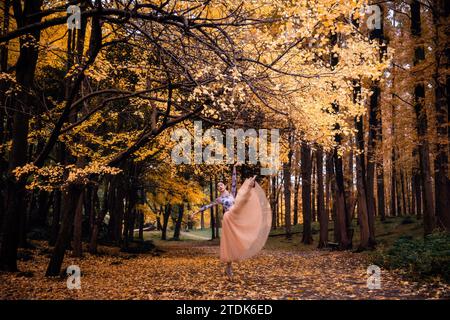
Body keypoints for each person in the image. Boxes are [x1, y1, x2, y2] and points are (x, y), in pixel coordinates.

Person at [190, 166, 272, 281]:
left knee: (244, 200)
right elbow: (207, 206)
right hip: (228, 219)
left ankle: (250, 186)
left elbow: (234, 180)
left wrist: (234, 168)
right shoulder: (219, 199)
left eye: (221, 185)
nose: (219, 187)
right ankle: (229, 267)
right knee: (229, 244)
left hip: (236, 215)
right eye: (218, 186)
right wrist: (195, 212)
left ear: (225, 186)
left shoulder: (232, 193)